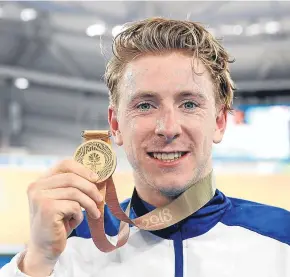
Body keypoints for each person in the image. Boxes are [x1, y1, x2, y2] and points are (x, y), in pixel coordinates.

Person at [1, 17, 290, 277]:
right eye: (145, 105)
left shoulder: (282, 239)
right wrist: (37, 262)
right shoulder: (70, 248)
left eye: (189, 104)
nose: (167, 128)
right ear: (115, 125)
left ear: (219, 122)